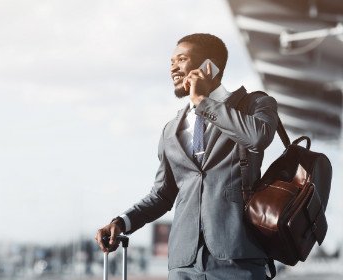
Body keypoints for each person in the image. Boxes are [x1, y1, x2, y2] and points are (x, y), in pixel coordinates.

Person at [95, 33, 278, 280]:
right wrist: (123, 221)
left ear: (209, 67)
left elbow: (258, 138)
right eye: (171, 61)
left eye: (181, 59)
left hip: (238, 258)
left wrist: (203, 101)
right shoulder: (171, 129)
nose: (173, 67)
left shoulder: (254, 105)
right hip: (184, 263)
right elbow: (162, 194)